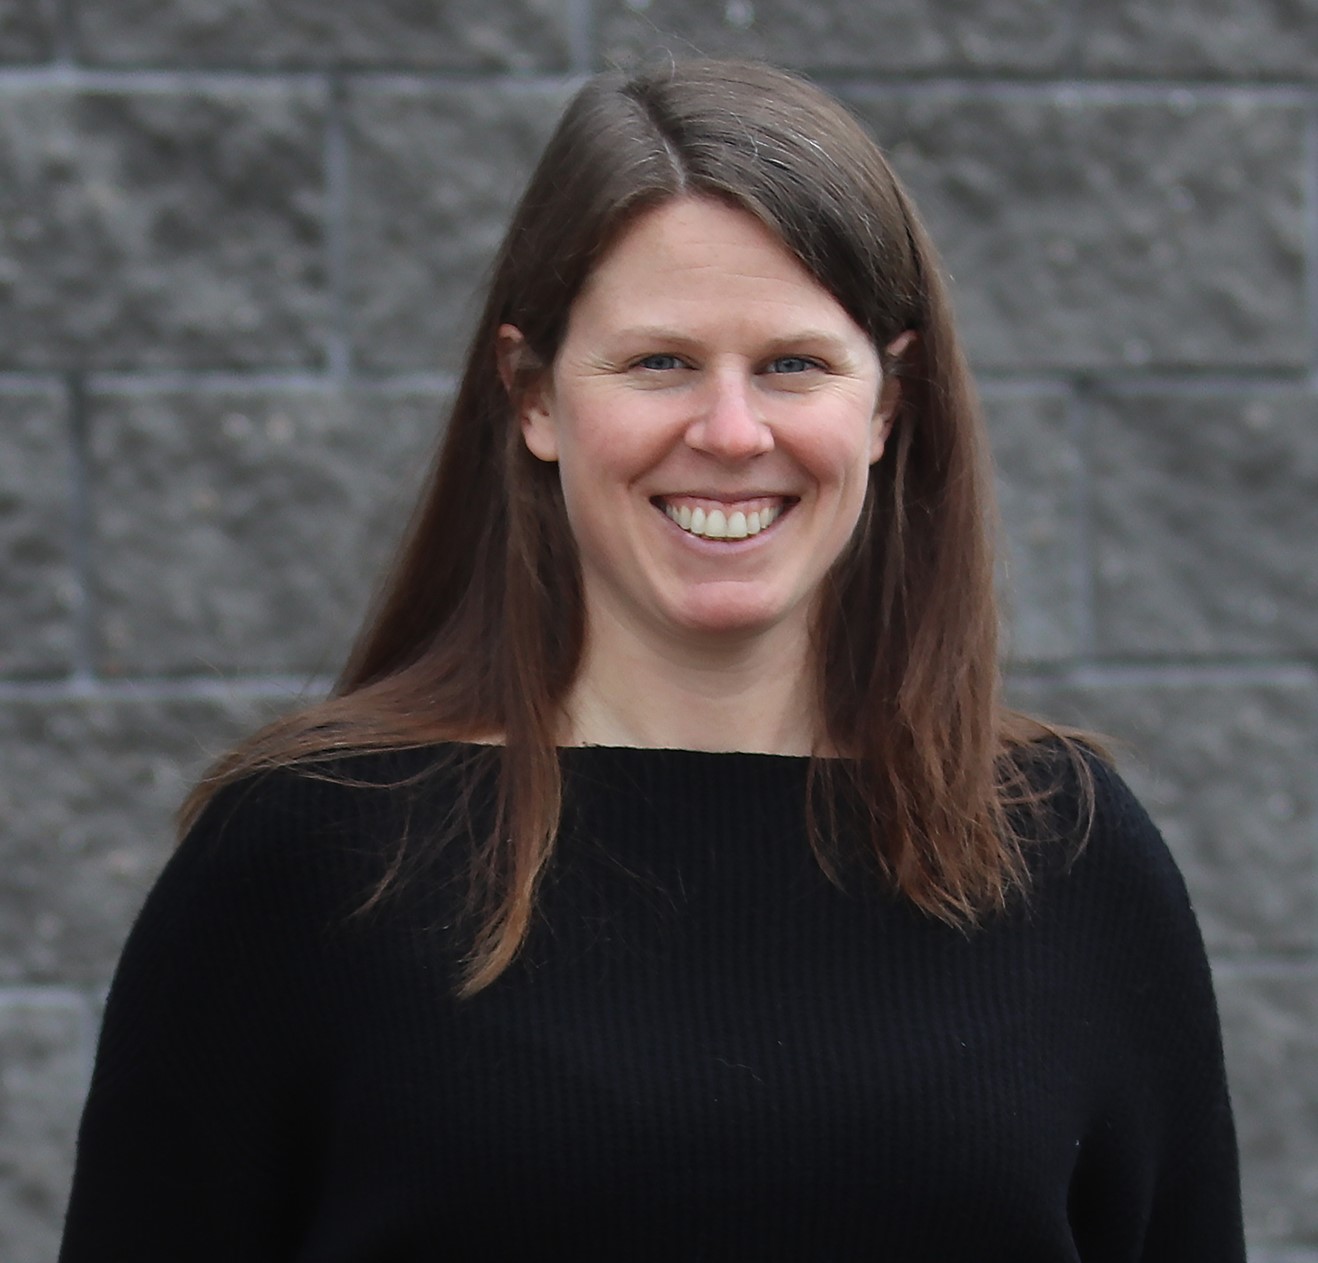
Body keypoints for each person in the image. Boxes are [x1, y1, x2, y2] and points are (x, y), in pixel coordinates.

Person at [60, 60, 1243, 1261]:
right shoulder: (307, 857)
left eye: (793, 363)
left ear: (887, 406)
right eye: (658, 362)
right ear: (530, 396)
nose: (731, 432)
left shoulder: (1065, 856)